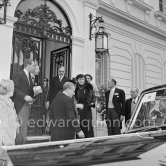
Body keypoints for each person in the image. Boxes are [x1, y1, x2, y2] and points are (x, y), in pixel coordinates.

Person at [12, 59, 36, 145]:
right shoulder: (19, 74)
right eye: (33, 65)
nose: (34, 67)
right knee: (20, 125)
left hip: (26, 104)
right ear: (28, 65)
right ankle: (18, 145)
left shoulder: (29, 75)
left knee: (24, 125)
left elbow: (28, 90)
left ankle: (22, 144)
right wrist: (24, 96)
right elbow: (13, 88)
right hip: (20, 104)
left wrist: (32, 95)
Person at [0, 79, 19, 146]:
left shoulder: (9, 101)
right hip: (5, 135)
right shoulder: (1, 102)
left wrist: (16, 126)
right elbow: (4, 122)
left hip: (11, 133)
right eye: (12, 88)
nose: (14, 90)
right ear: (8, 90)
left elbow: (13, 116)